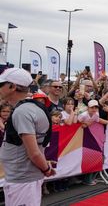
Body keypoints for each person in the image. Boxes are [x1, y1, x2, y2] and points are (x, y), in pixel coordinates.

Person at [0, 68, 56, 206]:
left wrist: (46, 170)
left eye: (1, 84)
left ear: (12, 86)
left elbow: (34, 152)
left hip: (22, 180)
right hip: (22, 178)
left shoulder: (22, 111)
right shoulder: (30, 108)